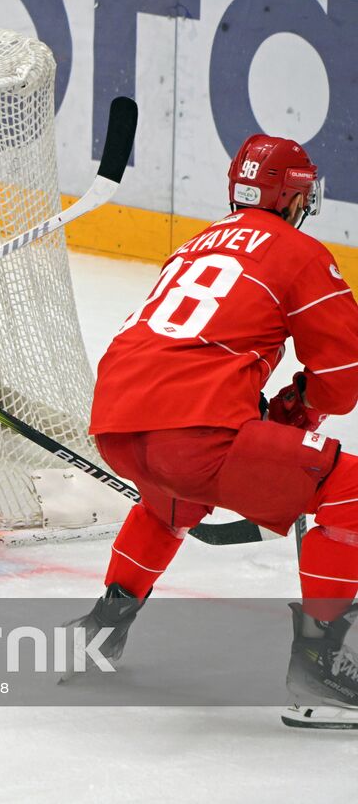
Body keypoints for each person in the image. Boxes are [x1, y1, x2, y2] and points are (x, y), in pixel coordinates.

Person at [68, 134, 358, 729]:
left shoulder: (196, 244)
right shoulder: (299, 251)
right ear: (294, 196)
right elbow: (344, 372)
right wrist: (295, 411)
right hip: (195, 434)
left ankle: (102, 627)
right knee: (350, 490)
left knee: (170, 496)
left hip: (118, 422)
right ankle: (318, 667)